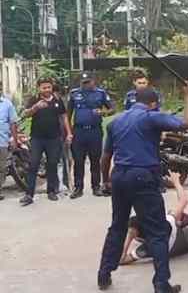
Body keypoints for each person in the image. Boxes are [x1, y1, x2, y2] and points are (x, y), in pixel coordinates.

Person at [97, 84, 188, 293]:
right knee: (158, 232)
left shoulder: (116, 122)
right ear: (153, 104)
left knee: (117, 226)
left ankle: (104, 274)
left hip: (120, 176)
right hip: (143, 176)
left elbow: (105, 157)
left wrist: (107, 180)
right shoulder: (151, 117)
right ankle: (161, 284)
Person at [119, 172, 188, 265]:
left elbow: (121, 260)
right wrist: (176, 182)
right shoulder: (167, 221)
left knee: (175, 216)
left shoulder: (148, 248)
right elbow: (184, 200)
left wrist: (127, 241)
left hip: (187, 237)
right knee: (173, 213)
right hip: (175, 234)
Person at [20, 77, 73, 206]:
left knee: (52, 164)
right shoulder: (34, 99)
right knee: (33, 165)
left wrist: (69, 133)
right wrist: (35, 108)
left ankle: (51, 191)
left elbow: (64, 116)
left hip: (54, 138)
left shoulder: (57, 100)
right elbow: (25, 114)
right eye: (44, 87)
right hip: (37, 138)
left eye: (48, 87)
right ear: (39, 88)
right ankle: (29, 194)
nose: (47, 90)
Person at [68, 72, 115, 199]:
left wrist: (103, 112)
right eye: (84, 83)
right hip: (79, 131)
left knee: (95, 159)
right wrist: (68, 131)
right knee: (78, 160)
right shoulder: (74, 94)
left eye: (88, 82)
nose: (86, 85)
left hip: (94, 131)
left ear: (93, 81)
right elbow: (68, 114)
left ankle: (96, 186)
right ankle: (78, 188)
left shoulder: (101, 93)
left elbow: (112, 109)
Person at [0, 91, 19, 201]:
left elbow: (13, 123)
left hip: (2, 141)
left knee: (1, 167)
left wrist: (14, 139)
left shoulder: (7, 104)